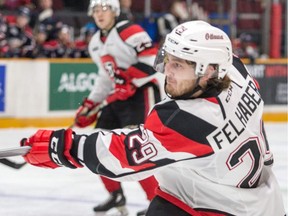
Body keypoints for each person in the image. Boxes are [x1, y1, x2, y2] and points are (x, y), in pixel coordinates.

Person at [20, 20, 286, 216]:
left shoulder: (186, 121)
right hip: (263, 202)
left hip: (211, 206)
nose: (166, 72)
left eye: (178, 65)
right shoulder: (238, 75)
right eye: (168, 60)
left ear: (209, 72)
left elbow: (121, 156)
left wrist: (62, 146)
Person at [73, 0, 162, 215]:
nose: (99, 13)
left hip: (141, 94)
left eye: (104, 9)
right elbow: (106, 78)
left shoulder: (130, 31)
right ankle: (116, 194)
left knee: (137, 150)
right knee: (98, 146)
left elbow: (153, 61)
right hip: (117, 97)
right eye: (95, 9)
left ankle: (157, 203)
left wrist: (129, 80)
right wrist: (91, 103)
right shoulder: (95, 41)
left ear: (114, 11)